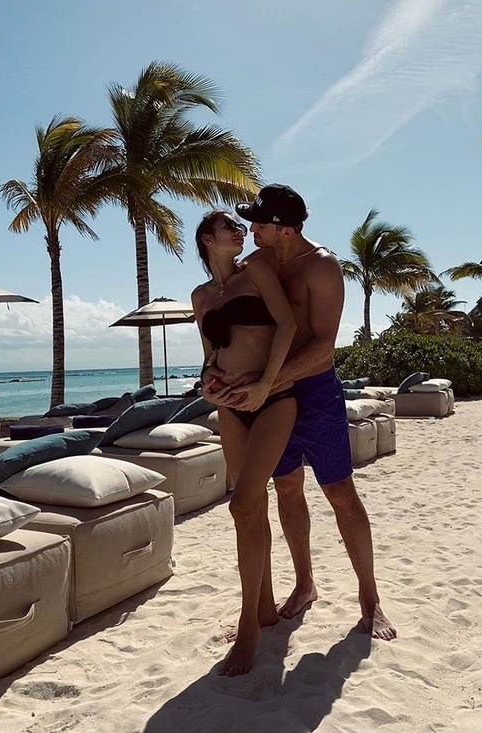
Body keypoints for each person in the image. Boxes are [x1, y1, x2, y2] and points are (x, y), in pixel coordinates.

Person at [202, 184, 396, 641]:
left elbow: (324, 347)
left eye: (258, 224)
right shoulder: (258, 264)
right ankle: (305, 584)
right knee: (287, 487)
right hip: (269, 395)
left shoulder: (322, 266)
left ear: (284, 230)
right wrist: (217, 375)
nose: (251, 229)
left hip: (313, 390)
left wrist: (268, 382)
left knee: (340, 491)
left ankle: (370, 601)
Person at [191, 209, 297, 676]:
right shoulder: (200, 296)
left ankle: (248, 626)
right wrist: (206, 382)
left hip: (272, 398)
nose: (239, 231)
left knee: (241, 503)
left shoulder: (256, 271)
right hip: (229, 405)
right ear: (207, 239)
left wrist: (265, 384)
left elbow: (287, 326)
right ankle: (265, 607)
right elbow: (209, 354)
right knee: (250, 509)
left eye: (241, 226)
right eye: (228, 227)